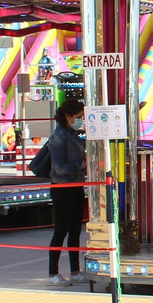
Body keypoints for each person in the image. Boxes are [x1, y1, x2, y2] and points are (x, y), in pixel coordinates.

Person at [47, 99, 86, 286]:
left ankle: (75, 270)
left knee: (75, 230)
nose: (80, 120)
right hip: (62, 188)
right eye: (78, 117)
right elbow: (60, 168)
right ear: (67, 116)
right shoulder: (58, 136)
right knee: (60, 231)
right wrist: (81, 165)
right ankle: (53, 273)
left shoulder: (75, 134)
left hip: (76, 186)